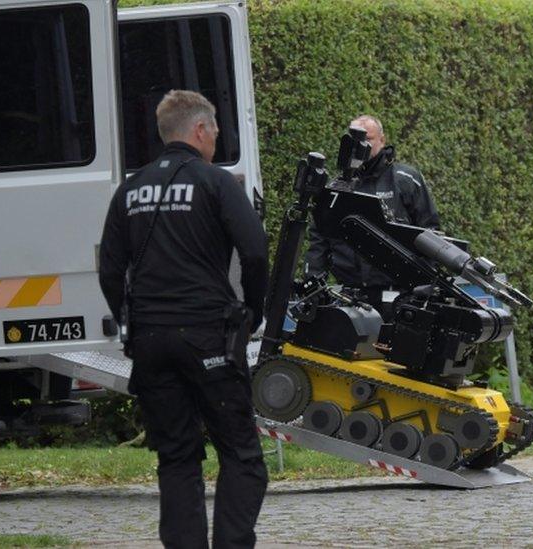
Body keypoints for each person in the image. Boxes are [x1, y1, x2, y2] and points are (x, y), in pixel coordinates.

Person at [98, 90, 269, 549]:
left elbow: (110, 269)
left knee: (176, 456)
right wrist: (254, 310)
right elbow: (254, 250)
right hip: (207, 335)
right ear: (199, 130)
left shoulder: (130, 190)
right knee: (241, 453)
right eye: (214, 131)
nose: (216, 139)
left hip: (151, 341)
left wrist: (128, 319)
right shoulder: (215, 182)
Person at [304, 115, 440, 315]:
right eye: (355, 140)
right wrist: (313, 280)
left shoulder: (406, 179)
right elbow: (319, 239)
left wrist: (425, 285)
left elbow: (431, 232)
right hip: (351, 296)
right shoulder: (335, 188)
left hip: (398, 294)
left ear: (382, 140)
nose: (362, 145)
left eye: (368, 139)